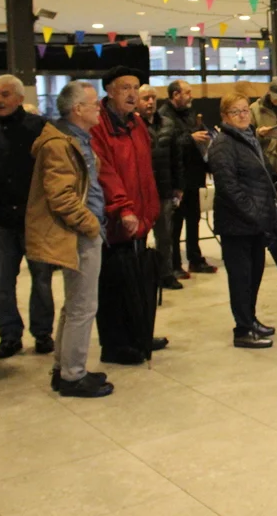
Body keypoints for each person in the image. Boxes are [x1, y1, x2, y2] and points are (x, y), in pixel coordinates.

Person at [25, 81, 112, 398]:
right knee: (83, 307)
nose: (99, 108)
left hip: (82, 232)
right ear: (77, 109)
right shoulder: (59, 145)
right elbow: (61, 197)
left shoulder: (75, 139)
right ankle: (73, 376)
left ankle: (64, 368)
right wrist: (91, 225)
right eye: (94, 104)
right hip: (77, 234)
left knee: (75, 305)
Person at [0, 74, 54, 359]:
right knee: (3, 282)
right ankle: (9, 335)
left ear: (19, 98)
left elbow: (54, 167)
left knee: (42, 280)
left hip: (35, 219)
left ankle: (42, 333)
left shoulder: (40, 128)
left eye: (5, 94)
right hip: (1, 220)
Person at [91, 66, 165, 365]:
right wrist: (123, 208)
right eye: (125, 88)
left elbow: (145, 169)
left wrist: (151, 209)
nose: (133, 94)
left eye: (136, 87)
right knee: (113, 285)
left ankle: (139, 334)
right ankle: (115, 346)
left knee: (136, 279)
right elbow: (105, 173)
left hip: (139, 216)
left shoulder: (136, 123)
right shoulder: (98, 125)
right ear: (109, 91)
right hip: (115, 219)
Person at [207, 93, 277, 349]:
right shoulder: (223, 144)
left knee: (254, 275)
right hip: (237, 225)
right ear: (225, 116)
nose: (242, 115)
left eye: (245, 110)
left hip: (255, 223)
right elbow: (228, 186)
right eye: (235, 112)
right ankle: (243, 329)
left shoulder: (249, 138)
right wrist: (253, 211)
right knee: (241, 278)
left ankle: (251, 319)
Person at [157, 80, 216, 275]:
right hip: (177, 177)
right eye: (187, 92)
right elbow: (168, 143)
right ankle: (174, 264)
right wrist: (191, 138)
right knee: (175, 224)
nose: (191, 96)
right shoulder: (164, 115)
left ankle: (195, 259)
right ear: (176, 95)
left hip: (193, 174)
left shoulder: (189, 113)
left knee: (194, 219)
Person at [137, 85, 184, 291]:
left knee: (165, 236)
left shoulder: (167, 124)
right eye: (145, 98)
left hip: (164, 189)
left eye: (153, 98)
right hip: (141, 193)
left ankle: (166, 274)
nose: (150, 102)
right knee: (139, 237)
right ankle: (141, 276)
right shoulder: (132, 126)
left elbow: (176, 158)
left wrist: (178, 186)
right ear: (137, 102)